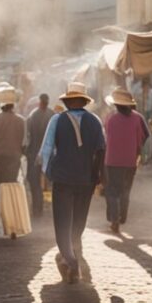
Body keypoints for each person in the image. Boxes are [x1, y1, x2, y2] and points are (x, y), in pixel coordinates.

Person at [39, 82, 105, 284]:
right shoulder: (95, 121)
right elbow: (101, 149)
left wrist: (46, 173)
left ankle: (71, 262)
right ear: (84, 101)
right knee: (79, 220)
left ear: (67, 101)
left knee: (62, 221)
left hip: (63, 179)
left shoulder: (57, 120)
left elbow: (46, 150)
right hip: (86, 180)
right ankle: (72, 254)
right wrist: (97, 175)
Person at [103, 88, 149, 235]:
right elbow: (145, 135)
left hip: (112, 160)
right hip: (130, 161)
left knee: (112, 191)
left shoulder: (110, 118)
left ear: (116, 104)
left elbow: (106, 137)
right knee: (125, 190)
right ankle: (122, 218)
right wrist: (137, 149)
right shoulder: (138, 118)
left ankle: (114, 220)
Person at [0, 88, 26, 190]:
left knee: (0, 184)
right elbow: (24, 142)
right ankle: (9, 205)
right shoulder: (21, 121)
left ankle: (0, 204)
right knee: (11, 184)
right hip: (14, 157)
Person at [26, 94, 55, 217]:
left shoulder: (33, 115)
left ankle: (38, 208)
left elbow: (28, 136)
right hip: (48, 154)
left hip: (35, 153)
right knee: (47, 182)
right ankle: (41, 207)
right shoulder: (52, 115)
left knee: (34, 181)